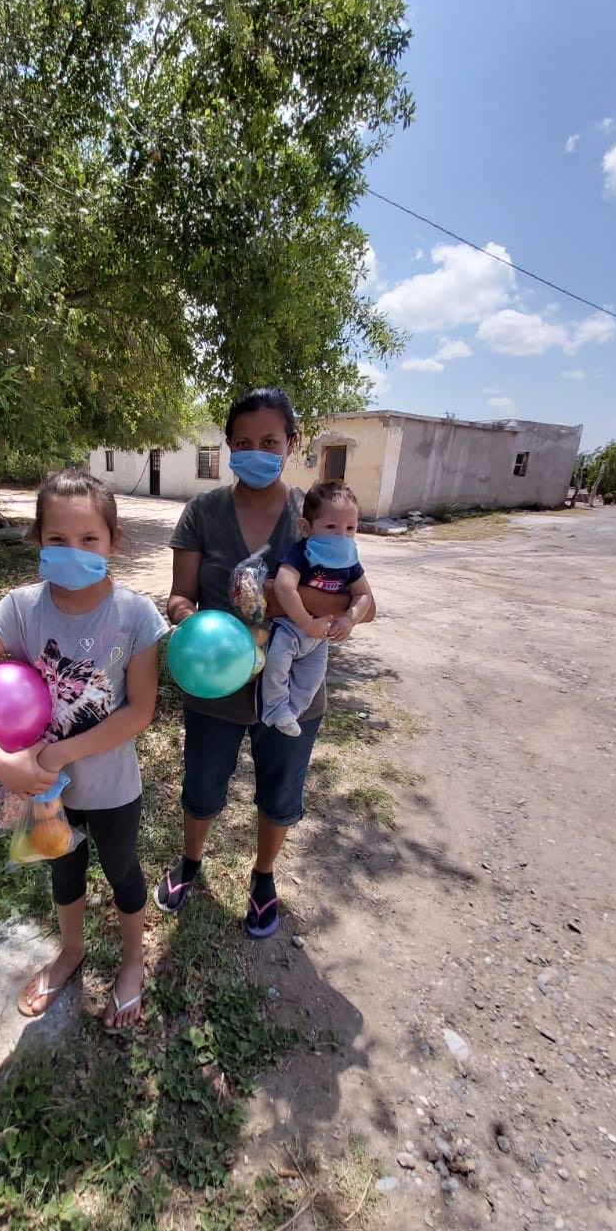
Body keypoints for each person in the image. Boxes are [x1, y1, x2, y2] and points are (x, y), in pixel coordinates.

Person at [0, 470, 167, 1032]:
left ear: (113, 542)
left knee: (123, 870)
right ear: (38, 539)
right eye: (58, 538)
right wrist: (2, 763)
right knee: (64, 873)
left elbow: (139, 710)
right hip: (42, 793)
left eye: (90, 539)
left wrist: (60, 754)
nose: (74, 550)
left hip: (112, 788)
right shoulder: (19, 609)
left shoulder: (135, 615)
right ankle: (71, 952)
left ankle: (132, 962)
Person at [154, 386, 376, 938]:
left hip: (294, 689)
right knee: (202, 784)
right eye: (244, 442)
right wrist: (195, 620)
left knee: (281, 790)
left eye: (271, 440)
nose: (258, 450)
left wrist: (278, 605)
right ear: (228, 447)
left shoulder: (317, 514)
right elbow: (180, 596)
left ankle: (263, 877)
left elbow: (356, 599)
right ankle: (190, 863)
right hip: (216, 678)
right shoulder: (203, 512)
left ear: (291, 443)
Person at [258, 480, 373, 737]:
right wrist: (307, 623)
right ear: (306, 528)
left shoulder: (349, 561)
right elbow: (284, 587)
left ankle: (292, 712)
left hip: (319, 637)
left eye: (350, 528)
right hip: (289, 628)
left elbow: (363, 596)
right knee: (276, 666)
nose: (341, 536)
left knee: (312, 677)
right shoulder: (300, 553)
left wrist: (350, 620)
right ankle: (275, 708)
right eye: (331, 527)